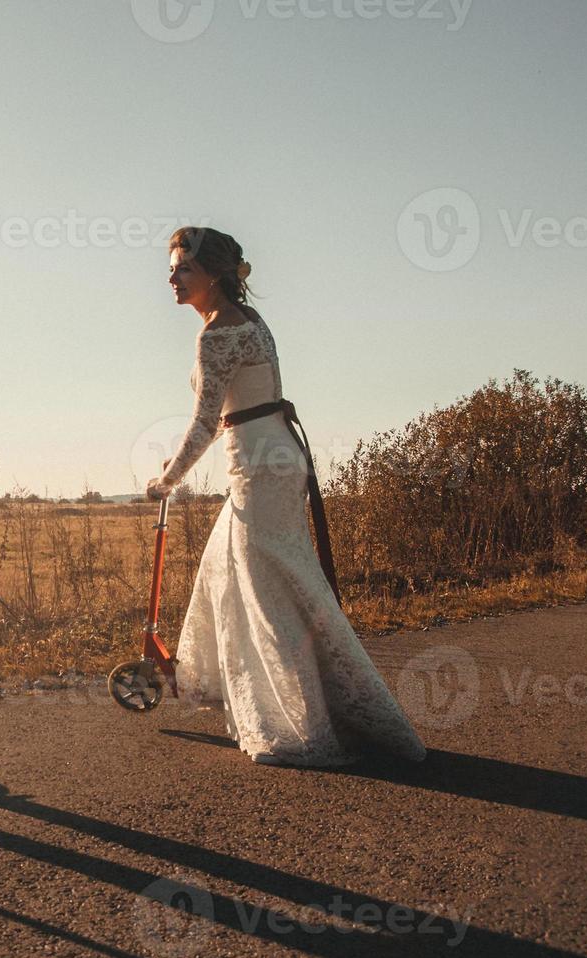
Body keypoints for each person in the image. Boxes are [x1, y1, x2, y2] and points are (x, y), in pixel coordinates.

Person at [147, 226, 426, 767]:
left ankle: (303, 725)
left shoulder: (216, 336)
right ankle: (301, 704)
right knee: (249, 575)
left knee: (266, 591)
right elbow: (233, 409)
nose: (173, 278)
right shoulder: (251, 322)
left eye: (184, 268)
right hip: (274, 456)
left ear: (215, 275)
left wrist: (169, 479)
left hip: (258, 465)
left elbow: (206, 422)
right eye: (173, 267)